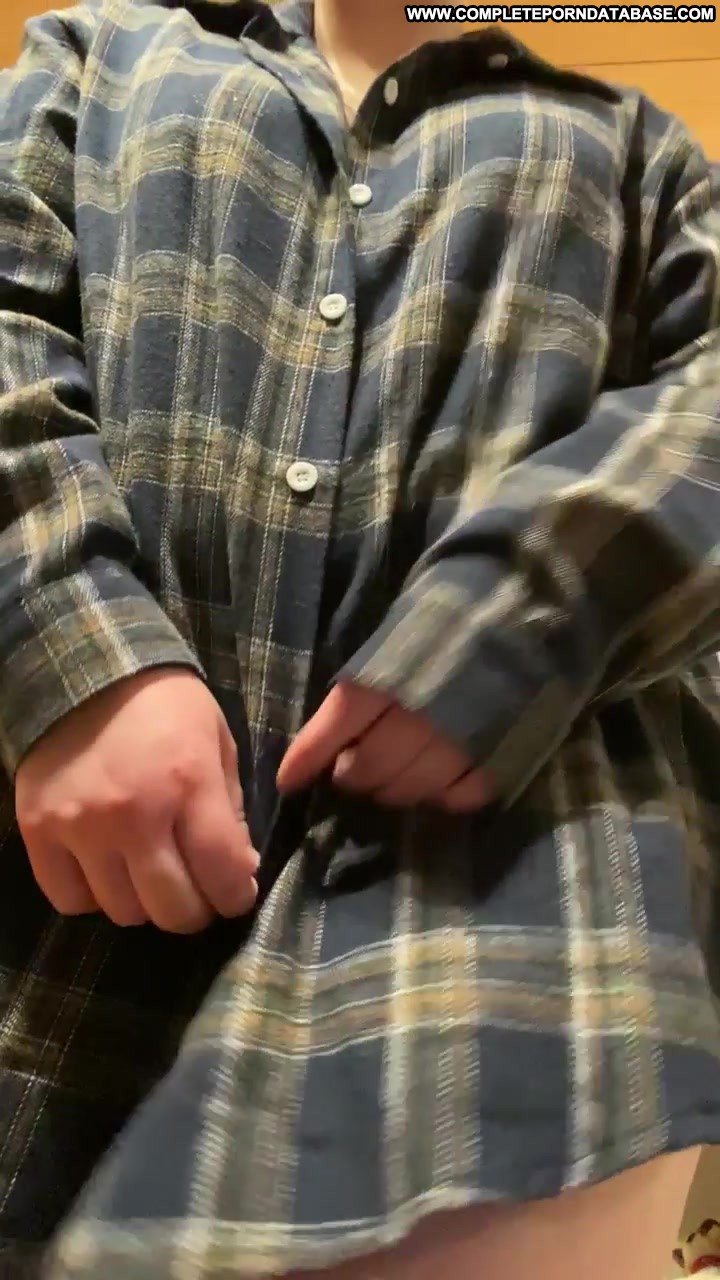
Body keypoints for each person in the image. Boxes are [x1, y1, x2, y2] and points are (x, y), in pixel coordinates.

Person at [0, 0, 719, 1276]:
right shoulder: (95, 57)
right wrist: (70, 638)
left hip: (522, 948)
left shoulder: (636, 147)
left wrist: (523, 602)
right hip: (60, 937)